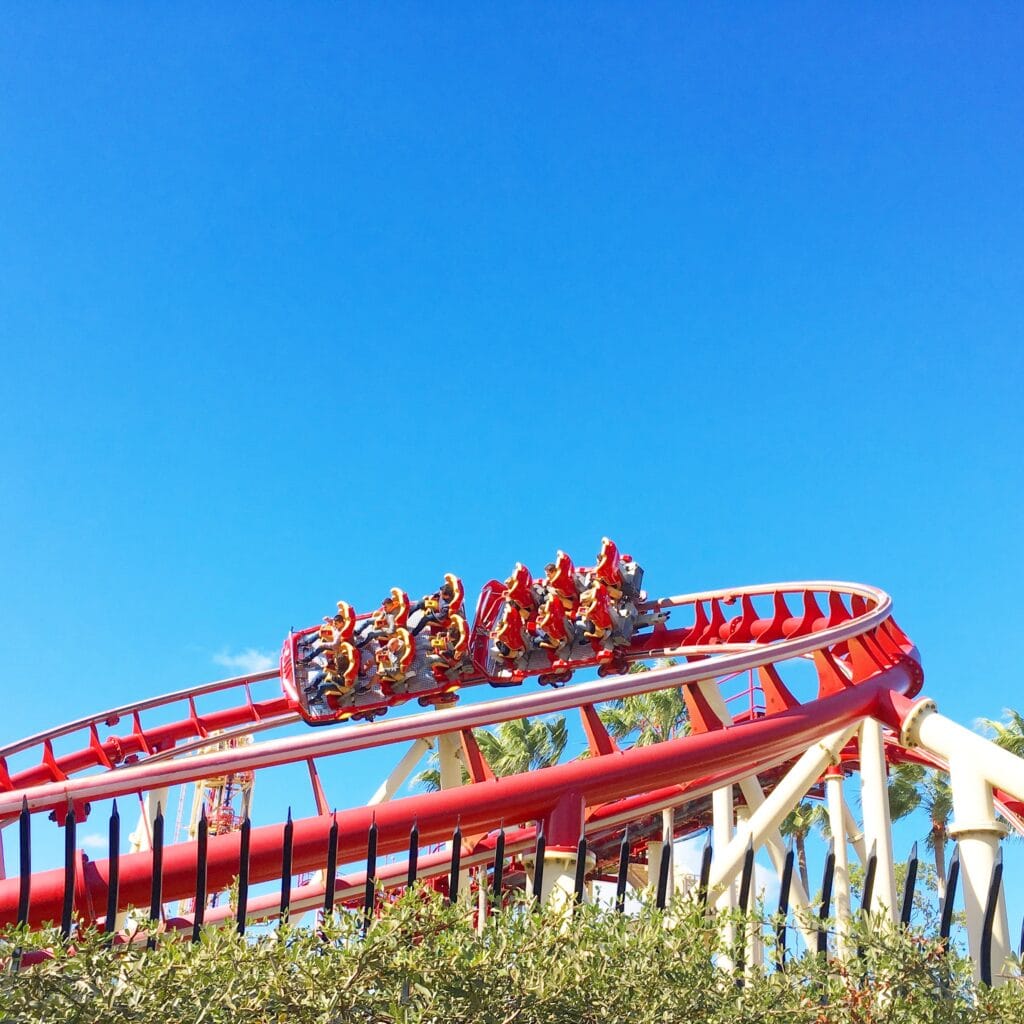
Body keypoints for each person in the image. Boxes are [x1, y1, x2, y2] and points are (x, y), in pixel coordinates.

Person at [577, 579, 615, 643]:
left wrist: (587, 613)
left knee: (577, 623)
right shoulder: (601, 588)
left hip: (598, 624)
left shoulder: (594, 612)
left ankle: (584, 638)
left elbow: (587, 617)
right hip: (606, 609)